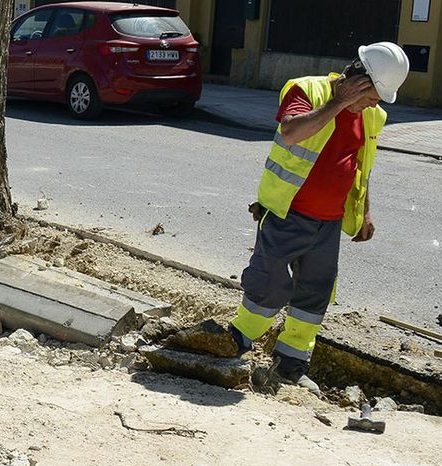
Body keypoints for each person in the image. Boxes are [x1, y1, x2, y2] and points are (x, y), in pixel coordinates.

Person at [171, 42, 409, 383]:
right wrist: (338, 103)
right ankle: (236, 341)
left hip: (329, 223)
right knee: (268, 282)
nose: (377, 103)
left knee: (315, 292)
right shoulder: (308, 91)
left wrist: (365, 212)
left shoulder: (372, 116)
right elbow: (291, 132)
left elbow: (360, 167)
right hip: (288, 212)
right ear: (358, 82)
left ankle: (290, 365)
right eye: (374, 95)